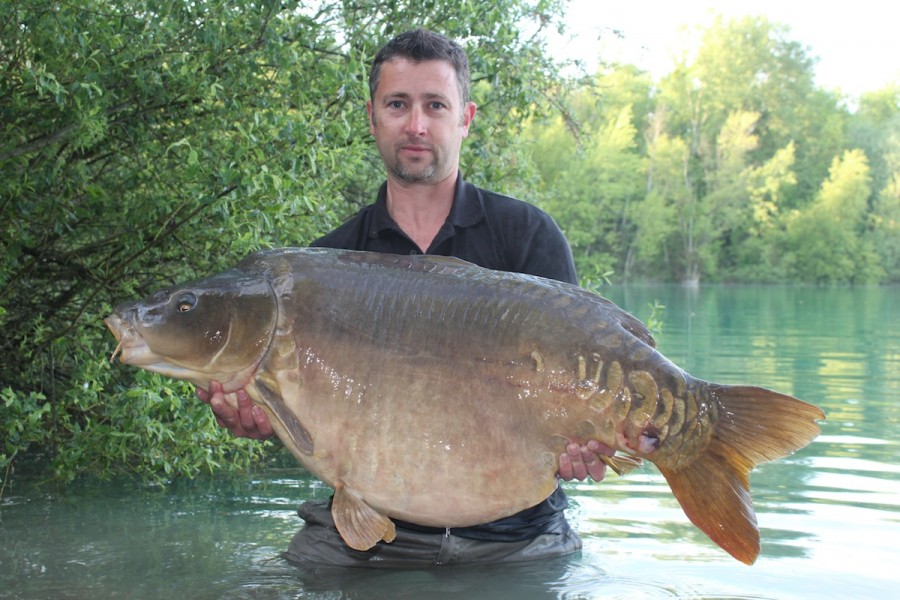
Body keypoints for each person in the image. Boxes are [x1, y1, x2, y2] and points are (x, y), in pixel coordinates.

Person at [199, 28, 616, 567]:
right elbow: (302, 415)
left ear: (465, 118)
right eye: (398, 104)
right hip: (365, 536)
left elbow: (578, 383)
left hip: (517, 538)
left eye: (434, 106)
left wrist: (584, 440)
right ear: (372, 116)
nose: (416, 125)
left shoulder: (528, 236)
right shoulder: (325, 266)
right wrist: (253, 415)